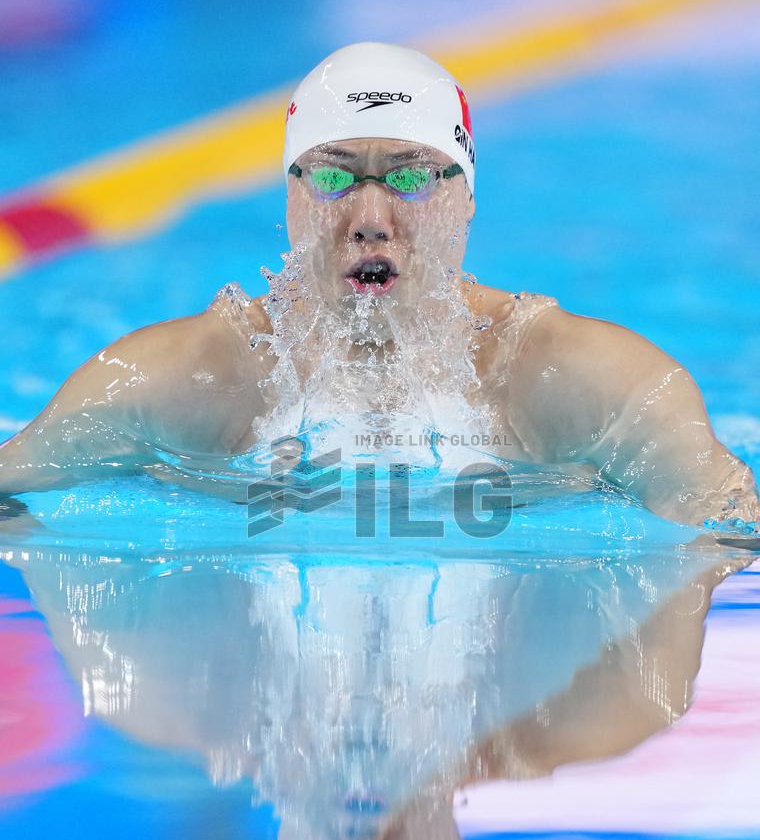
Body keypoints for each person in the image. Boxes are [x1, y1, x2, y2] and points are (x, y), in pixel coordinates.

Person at [0, 41, 758, 534]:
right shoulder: (185, 380)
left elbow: (729, 537)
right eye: (333, 176)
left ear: (465, 198)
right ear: (292, 197)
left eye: (409, 177)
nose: (369, 218)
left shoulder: (586, 383)